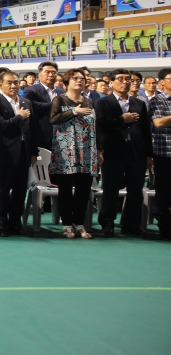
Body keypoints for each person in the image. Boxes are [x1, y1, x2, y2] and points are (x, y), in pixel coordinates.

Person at [95, 69, 152, 237]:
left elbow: (145, 130)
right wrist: (122, 120)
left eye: (128, 79)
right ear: (111, 82)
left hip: (136, 151)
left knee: (135, 190)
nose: (125, 82)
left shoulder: (139, 103)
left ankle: (131, 224)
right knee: (110, 189)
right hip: (113, 150)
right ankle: (107, 223)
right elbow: (102, 127)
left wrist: (149, 154)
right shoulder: (103, 102)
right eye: (120, 79)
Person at [0, 70, 37, 237]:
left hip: (24, 152)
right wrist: (19, 117)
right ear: (0, 84)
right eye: (10, 82)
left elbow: (32, 129)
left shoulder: (26, 102)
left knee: (21, 190)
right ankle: (2, 224)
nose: (14, 86)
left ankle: (16, 223)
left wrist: (33, 151)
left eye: (16, 82)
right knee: (4, 189)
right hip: (5, 152)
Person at [49, 68, 98, 239]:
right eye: (75, 78)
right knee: (66, 188)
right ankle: (67, 223)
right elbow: (53, 119)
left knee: (84, 189)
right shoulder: (59, 100)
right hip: (66, 151)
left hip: (87, 150)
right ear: (66, 82)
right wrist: (74, 111)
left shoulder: (90, 102)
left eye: (82, 78)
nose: (79, 81)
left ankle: (79, 222)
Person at [147, 68, 171, 240]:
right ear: (162, 82)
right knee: (164, 191)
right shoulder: (158, 100)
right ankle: (164, 223)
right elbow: (159, 122)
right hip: (164, 153)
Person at [22, 61, 64, 153]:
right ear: (39, 74)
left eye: (53, 72)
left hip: (62, 134)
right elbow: (31, 105)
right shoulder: (31, 90)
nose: (50, 75)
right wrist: (55, 104)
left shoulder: (62, 91)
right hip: (42, 133)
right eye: (47, 72)